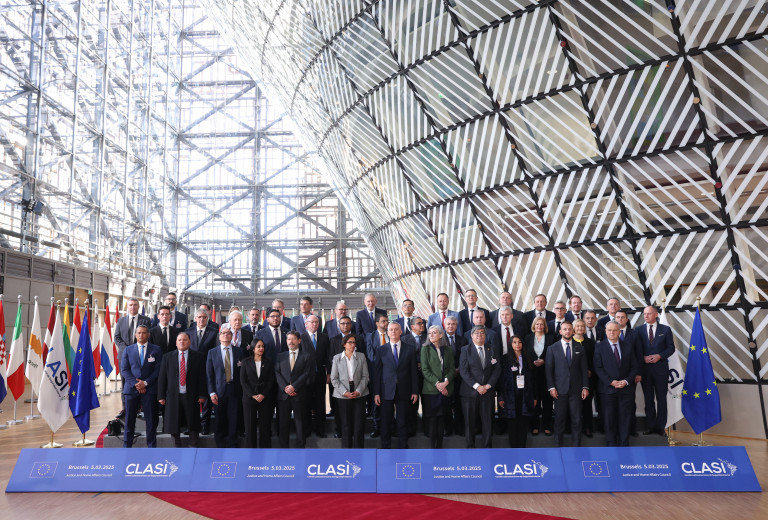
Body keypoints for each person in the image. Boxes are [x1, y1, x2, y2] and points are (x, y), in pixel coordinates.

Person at [157, 332, 207, 447]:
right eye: (179, 340)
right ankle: (177, 447)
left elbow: (202, 377)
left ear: (189, 342)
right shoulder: (167, 357)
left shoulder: (198, 356)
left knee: (193, 422)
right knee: (174, 422)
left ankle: (194, 446)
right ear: (176, 343)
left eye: (184, 340)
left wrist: (202, 394)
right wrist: (161, 396)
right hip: (173, 395)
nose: (182, 342)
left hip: (192, 395)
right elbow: (162, 377)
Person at [594, 322, 639, 446]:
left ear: (620, 332)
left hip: (626, 389)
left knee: (625, 418)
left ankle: (624, 444)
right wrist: (611, 382)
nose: (612, 332)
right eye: (609, 330)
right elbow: (598, 368)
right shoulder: (599, 347)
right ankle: (611, 444)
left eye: (614, 330)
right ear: (605, 331)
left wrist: (626, 381)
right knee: (609, 419)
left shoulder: (628, 346)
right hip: (607, 390)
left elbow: (634, 367)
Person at [374, 322, 418, 449]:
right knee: (386, 421)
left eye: (396, 329)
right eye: (391, 330)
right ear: (387, 332)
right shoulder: (381, 350)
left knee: (402, 421)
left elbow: (414, 372)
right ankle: (385, 447)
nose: (393, 332)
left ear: (401, 332)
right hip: (386, 391)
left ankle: (403, 447)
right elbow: (377, 373)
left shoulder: (409, 348)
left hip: (405, 390)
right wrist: (376, 392)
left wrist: (415, 391)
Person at [545, 322, 589, 447]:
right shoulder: (552, 348)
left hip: (576, 390)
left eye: (570, 329)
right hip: (559, 390)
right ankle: (558, 447)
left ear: (573, 331)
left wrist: (585, 387)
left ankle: (576, 447)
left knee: (576, 420)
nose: (567, 331)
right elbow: (549, 370)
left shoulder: (580, 347)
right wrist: (551, 387)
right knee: (559, 420)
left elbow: (584, 369)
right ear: (560, 332)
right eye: (565, 329)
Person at [635, 305, 676, 436]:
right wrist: (642, 358)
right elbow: (635, 350)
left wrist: (660, 356)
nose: (646, 316)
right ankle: (651, 426)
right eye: (644, 314)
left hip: (661, 371)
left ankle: (660, 427)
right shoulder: (638, 330)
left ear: (656, 315)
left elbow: (671, 348)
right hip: (645, 371)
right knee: (648, 400)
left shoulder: (666, 329)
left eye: (648, 313)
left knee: (661, 399)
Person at [459, 325, 501, 448]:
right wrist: (477, 386)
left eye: (482, 333)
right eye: (477, 333)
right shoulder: (465, 350)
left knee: (487, 421)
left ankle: (487, 446)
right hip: (469, 393)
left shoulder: (492, 349)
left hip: (487, 392)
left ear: (486, 335)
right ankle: (470, 446)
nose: (479, 335)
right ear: (471, 336)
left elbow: (497, 369)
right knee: (469, 422)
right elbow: (463, 371)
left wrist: (488, 385)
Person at [121, 324, 161, 448]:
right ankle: (127, 448)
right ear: (135, 335)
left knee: (151, 422)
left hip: (150, 390)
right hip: (131, 390)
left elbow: (158, 370)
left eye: (144, 333)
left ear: (148, 335)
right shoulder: (128, 350)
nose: (141, 335)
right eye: (139, 333)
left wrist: (146, 383)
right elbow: (124, 370)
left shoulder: (156, 349)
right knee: (129, 421)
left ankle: (151, 448)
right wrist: (136, 384)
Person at [275, 331, 315, 448]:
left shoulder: (306, 356)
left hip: (300, 394)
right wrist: (285, 388)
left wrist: (294, 386)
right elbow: (277, 373)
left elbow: (307, 373)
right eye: (288, 339)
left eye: (293, 339)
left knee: (300, 424)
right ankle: (283, 448)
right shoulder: (280, 356)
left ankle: (300, 447)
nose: (291, 342)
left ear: (299, 341)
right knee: (283, 424)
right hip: (284, 395)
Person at [113, 297, 151, 418]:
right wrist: (127, 350)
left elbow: (147, 337)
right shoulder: (121, 320)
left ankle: (141, 408)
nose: (133, 307)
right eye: (130, 305)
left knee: (141, 379)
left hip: (141, 355)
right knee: (125, 382)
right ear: (127, 307)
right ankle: (126, 408)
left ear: (138, 307)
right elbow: (117, 337)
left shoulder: (146, 320)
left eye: (135, 305)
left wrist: (135, 349)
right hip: (124, 356)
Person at [207, 325, 243, 448]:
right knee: (219, 418)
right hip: (218, 390)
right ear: (219, 336)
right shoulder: (212, 352)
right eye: (223, 333)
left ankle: (233, 443)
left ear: (232, 336)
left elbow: (242, 372)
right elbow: (209, 374)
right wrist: (211, 392)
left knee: (233, 417)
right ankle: (220, 444)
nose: (226, 335)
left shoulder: (239, 351)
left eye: (228, 333)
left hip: (234, 389)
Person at [330, 334, 369, 448]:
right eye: (350, 342)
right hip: (343, 394)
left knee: (359, 424)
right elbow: (334, 378)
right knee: (345, 424)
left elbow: (365, 376)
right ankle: (346, 451)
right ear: (344, 345)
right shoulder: (337, 358)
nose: (353, 345)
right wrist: (344, 392)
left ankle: (358, 450)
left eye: (354, 342)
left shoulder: (361, 356)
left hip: (359, 393)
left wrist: (358, 391)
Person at [498, 335, 535, 448]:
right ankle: (513, 449)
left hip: (525, 396)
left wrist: (535, 397)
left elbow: (534, 380)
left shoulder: (528, 358)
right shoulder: (505, 359)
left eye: (519, 342)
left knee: (523, 424)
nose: (517, 344)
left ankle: (522, 448)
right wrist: (501, 397)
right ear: (511, 344)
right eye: (514, 342)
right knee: (512, 424)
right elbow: (501, 380)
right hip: (510, 397)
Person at [421, 326, 455, 449]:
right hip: (431, 391)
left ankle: (439, 447)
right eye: (429, 333)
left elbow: (452, 369)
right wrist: (438, 384)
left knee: (442, 419)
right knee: (432, 420)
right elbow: (425, 370)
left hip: (446, 389)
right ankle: (432, 448)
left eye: (434, 333)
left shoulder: (448, 350)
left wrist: (445, 382)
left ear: (441, 335)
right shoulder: (425, 349)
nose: (431, 335)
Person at [240, 338, 276, 448]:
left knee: (265, 427)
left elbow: (271, 380)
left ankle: (265, 452)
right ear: (253, 348)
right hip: (249, 399)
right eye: (258, 346)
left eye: (263, 346)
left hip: (265, 399)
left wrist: (263, 394)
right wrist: (252, 394)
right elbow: (243, 381)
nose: (261, 348)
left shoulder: (268, 362)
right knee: (250, 428)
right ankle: (251, 452)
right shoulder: (245, 362)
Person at [524, 316, 555, 436]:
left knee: (547, 401)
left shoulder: (551, 338)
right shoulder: (528, 338)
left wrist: (544, 360)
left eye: (542, 324)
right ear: (533, 326)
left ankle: (547, 426)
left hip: (546, 374)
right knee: (534, 401)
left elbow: (554, 355)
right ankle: (534, 426)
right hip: (532, 374)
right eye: (537, 324)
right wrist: (531, 362)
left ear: (545, 326)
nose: (539, 326)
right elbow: (525, 353)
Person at [301, 315, 330, 438]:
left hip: (320, 375)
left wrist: (328, 372)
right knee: (306, 402)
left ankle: (320, 429)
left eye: (316, 322)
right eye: (311, 322)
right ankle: (306, 429)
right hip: (305, 376)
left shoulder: (324, 337)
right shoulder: (300, 338)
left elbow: (328, 356)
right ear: (306, 324)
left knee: (320, 403)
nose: (314, 324)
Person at [365, 313, 389, 437]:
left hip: (391, 375)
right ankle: (376, 427)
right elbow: (371, 356)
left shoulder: (392, 334)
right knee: (376, 402)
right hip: (376, 374)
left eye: (387, 321)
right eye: (383, 321)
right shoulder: (370, 337)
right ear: (377, 323)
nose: (386, 323)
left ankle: (389, 427)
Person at [572, 319, 597, 438]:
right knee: (574, 404)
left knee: (587, 404)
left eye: (582, 326)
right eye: (578, 326)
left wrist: (589, 370)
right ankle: (574, 428)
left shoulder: (590, 342)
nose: (580, 328)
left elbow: (594, 359)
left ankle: (587, 427)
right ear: (573, 328)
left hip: (588, 378)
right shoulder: (569, 341)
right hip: (573, 379)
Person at [443, 315, 467, 437]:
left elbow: (466, 358)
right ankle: (447, 428)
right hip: (446, 378)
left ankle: (459, 428)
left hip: (459, 377)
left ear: (456, 326)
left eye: (453, 324)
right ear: (444, 326)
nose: (451, 326)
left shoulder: (463, 340)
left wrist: (459, 370)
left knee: (459, 403)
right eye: (448, 324)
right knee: (446, 403)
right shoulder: (440, 340)